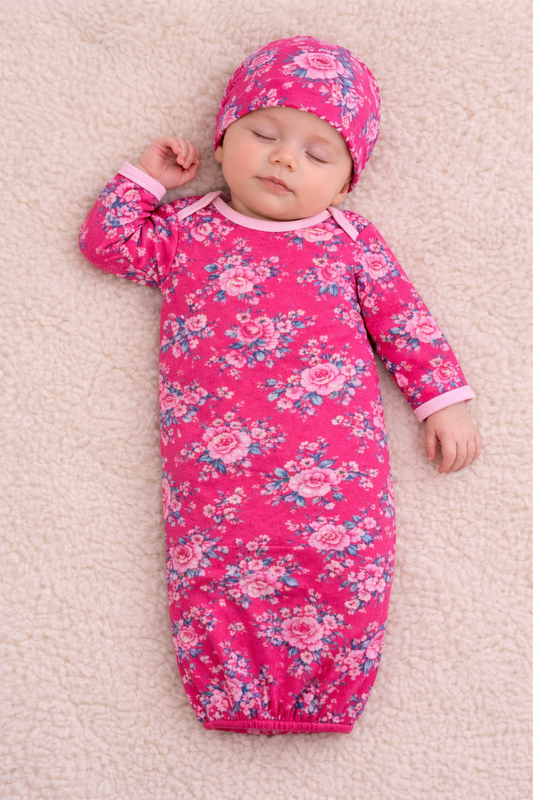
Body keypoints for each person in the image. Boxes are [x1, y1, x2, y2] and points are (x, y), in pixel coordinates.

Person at [79, 36, 481, 735]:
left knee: (343, 563)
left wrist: (443, 402)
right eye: (262, 133)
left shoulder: (349, 240)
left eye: (317, 153)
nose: (284, 157)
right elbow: (109, 246)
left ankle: (325, 691)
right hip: (215, 474)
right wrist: (146, 181)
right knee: (216, 570)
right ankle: (229, 687)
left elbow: (404, 323)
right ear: (223, 139)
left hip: (335, 464)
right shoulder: (186, 229)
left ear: (346, 182)